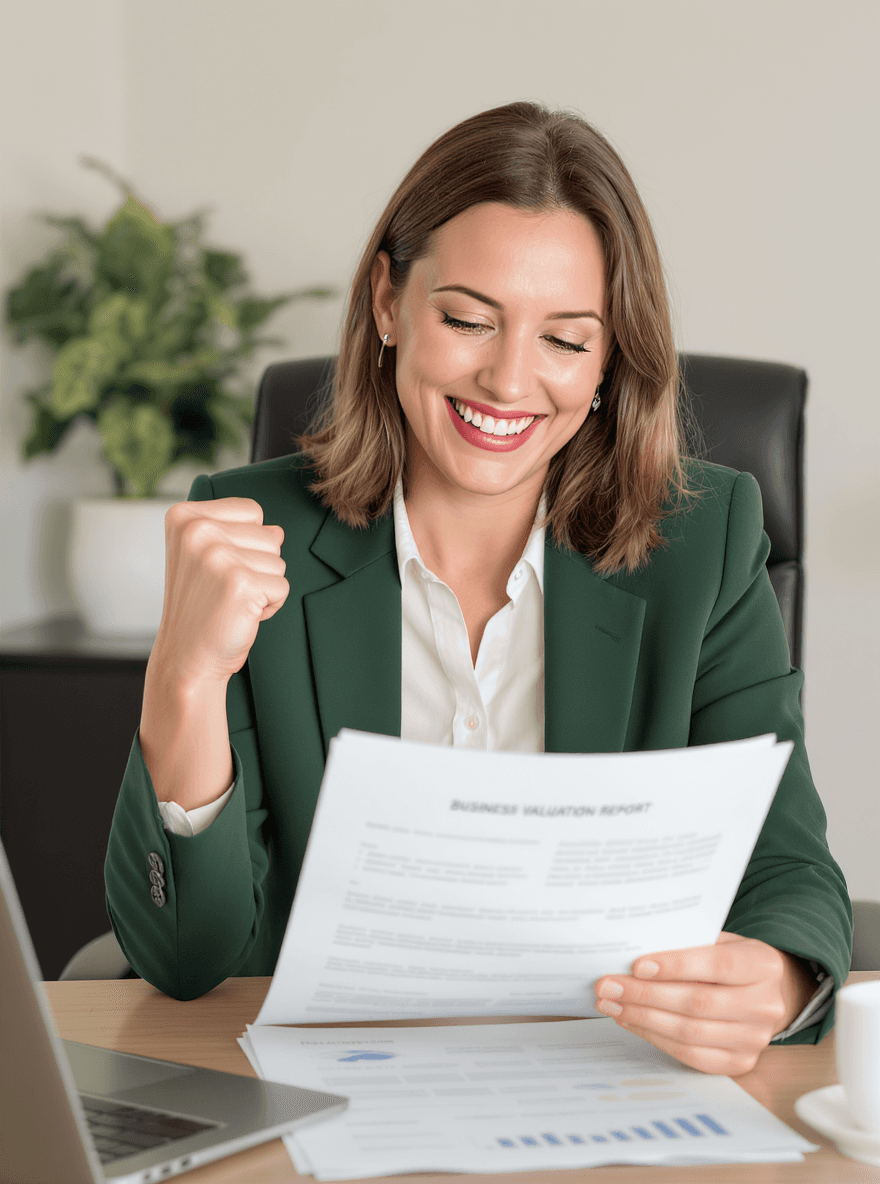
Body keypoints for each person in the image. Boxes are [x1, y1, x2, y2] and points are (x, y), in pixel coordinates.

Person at [105, 101, 851, 1077]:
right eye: (466, 318)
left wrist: (775, 977)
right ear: (386, 302)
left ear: (609, 359)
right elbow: (185, 957)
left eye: (566, 339)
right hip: (320, 1100)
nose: (507, 380)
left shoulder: (700, 540)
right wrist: (183, 681)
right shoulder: (248, 538)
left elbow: (788, 866)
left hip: (610, 1094)